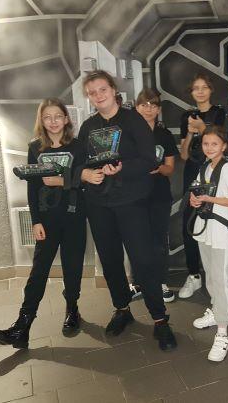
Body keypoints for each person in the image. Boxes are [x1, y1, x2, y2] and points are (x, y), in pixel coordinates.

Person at [79, 70, 177, 351]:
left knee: (143, 260)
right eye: (92, 92)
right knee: (110, 260)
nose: (98, 95)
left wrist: (122, 168)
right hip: (99, 204)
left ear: (113, 90)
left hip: (132, 202)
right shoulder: (88, 127)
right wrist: (85, 174)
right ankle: (122, 309)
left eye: (102, 89)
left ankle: (160, 319)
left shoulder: (134, 120)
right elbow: (79, 162)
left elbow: (149, 160)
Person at [0, 98, 86, 348]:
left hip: (74, 217)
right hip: (47, 219)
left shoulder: (78, 146)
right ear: (41, 120)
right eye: (47, 117)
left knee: (73, 267)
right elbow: (33, 186)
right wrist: (36, 221)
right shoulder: (35, 147)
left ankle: (72, 309)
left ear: (66, 118)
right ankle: (22, 326)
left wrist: (63, 179)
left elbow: (84, 180)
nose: (53, 121)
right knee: (39, 271)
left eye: (57, 116)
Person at [189, 126, 228, 362]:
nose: (209, 148)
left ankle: (222, 332)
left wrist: (208, 198)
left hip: (219, 231)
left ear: (224, 146)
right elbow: (197, 191)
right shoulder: (205, 167)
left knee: (220, 281)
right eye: (206, 143)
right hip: (205, 229)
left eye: (214, 144)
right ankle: (215, 310)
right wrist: (194, 199)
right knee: (210, 276)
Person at [178, 74, 225, 299]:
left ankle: (217, 275)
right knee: (189, 223)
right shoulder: (186, 116)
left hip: (215, 173)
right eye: (195, 88)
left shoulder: (219, 113)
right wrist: (190, 131)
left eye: (204, 87)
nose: (200, 91)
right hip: (192, 173)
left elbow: (222, 144)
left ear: (211, 90)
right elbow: (184, 154)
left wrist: (202, 127)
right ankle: (194, 275)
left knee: (215, 222)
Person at [135, 88, 179, 303]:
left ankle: (160, 282)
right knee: (136, 240)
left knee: (159, 240)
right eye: (144, 105)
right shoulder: (128, 134)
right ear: (137, 107)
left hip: (159, 195)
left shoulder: (164, 135)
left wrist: (159, 168)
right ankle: (138, 282)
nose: (148, 109)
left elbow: (170, 168)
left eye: (153, 105)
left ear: (159, 109)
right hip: (133, 196)